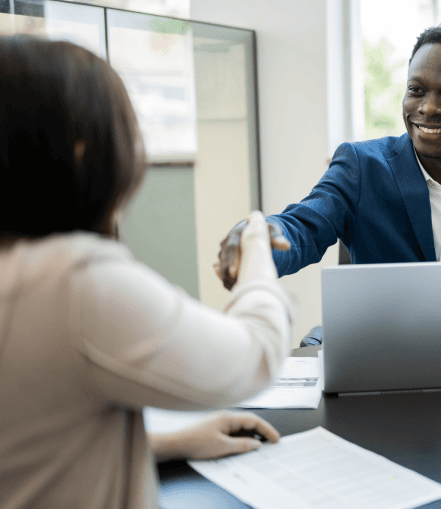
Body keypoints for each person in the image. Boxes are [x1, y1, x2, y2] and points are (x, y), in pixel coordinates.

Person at [0, 36, 291, 509]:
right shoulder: (73, 280)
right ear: (80, 151)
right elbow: (255, 356)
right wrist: (257, 243)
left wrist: (166, 444)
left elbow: (26, 442)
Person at [220, 24, 441, 339]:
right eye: (417, 90)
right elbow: (302, 228)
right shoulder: (362, 167)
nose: (429, 108)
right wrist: (257, 241)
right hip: (379, 360)